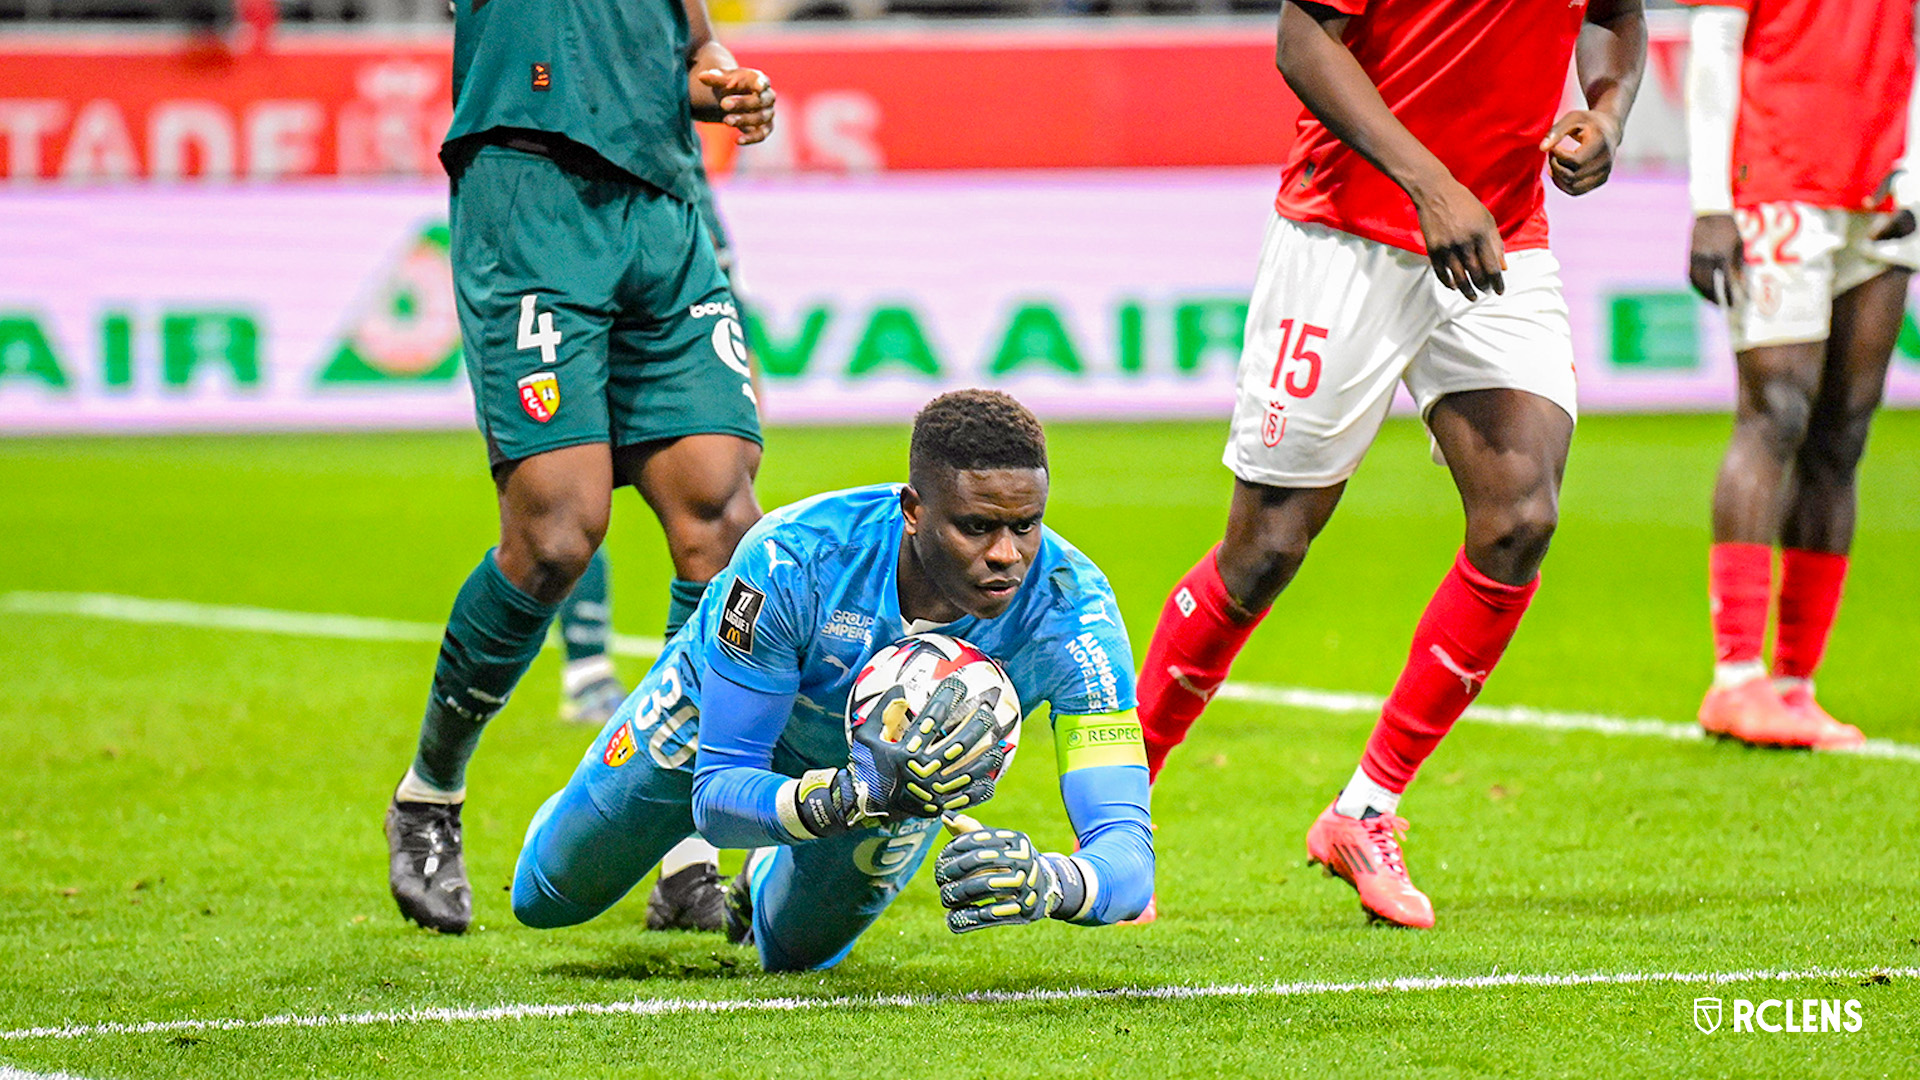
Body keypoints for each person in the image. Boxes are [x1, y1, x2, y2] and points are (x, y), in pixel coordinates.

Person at [1132, 0, 1645, 928]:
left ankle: (1363, 811)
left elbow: (1615, 17)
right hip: (1346, 233)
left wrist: (1605, 115)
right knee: (1266, 550)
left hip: (1500, 233)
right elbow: (1301, 41)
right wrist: (1429, 182)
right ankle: (1119, 826)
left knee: (1521, 517)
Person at [512, 390, 1155, 971]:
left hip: (893, 785)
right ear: (913, 510)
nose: (1007, 554)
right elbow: (717, 793)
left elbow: (1126, 848)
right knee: (546, 896)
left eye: (1026, 525)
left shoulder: (1074, 617)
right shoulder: (794, 558)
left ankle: (765, 873)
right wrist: (839, 798)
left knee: (796, 955)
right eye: (976, 526)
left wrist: (1052, 881)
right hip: (716, 715)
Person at [382, 0, 778, 935]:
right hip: (531, 194)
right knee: (557, 533)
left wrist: (720, 81)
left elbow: (685, 43)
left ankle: (685, 851)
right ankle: (429, 793)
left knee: (722, 524)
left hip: (662, 204)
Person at [1683, 0, 1918, 750]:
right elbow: (1715, 42)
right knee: (1776, 414)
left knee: (1844, 432)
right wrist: (1710, 203)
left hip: (1879, 191)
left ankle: (1794, 683)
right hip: (1777, 185)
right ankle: (1736, 679)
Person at [554, 154, 761, 934]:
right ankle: (584, 669)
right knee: (564, 521)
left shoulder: (677, 161)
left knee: (724, 547)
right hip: (562, 282)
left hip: (674, 279)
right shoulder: (552, 123)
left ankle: (693, 860)